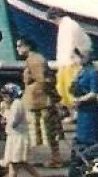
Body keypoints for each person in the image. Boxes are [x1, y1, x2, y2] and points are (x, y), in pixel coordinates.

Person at [16, 36, 63, 166]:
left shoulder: (35, 60)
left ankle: (55, 158)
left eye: (19, 46)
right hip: (36, 99)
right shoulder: (33, 59)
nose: (17, 49)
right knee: (44, 131)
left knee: (46, 130)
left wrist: (52, 97)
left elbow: (43, 80)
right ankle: (54, 157)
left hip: (39, 101)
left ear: (28, 46)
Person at [0, 83, 49, 177]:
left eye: (6, 95)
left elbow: (13, 123)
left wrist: (5, 112)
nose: (4, 98)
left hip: (18, 138)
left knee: (13, 163)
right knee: (22, 162)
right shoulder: (16, 104)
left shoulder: (16, 105)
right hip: (16, 137)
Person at [49, 8, 92, 108]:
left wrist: (77, 57)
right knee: (63, 88)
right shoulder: (67, 25)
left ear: (55, 17)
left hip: (71, 63)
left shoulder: (69, 25)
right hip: (66, 63)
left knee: (69, 88)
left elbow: (72, 45)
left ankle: (75, 111)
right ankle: (72, 110)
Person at [71, 60, 98, 149]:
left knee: (90, 136)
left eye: (75, 57)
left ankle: (92, 155)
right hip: (81, 109)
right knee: (81, 135)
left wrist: (80, 99)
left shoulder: (93, 72)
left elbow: (94, 92)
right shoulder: (81, 71)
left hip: (90, 109)